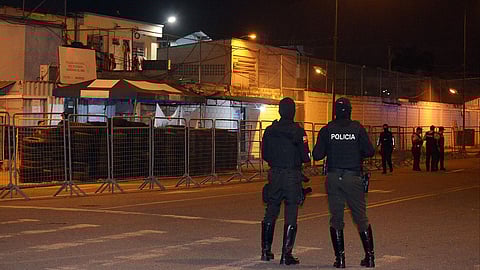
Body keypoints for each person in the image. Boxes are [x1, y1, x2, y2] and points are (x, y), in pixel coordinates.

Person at [313, 98, 376, 268]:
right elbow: (370, 151)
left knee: (336, 219)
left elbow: (317, 154)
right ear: (350, 111)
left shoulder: (327, 130)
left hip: (334, 178)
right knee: (361, 218)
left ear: (334, 111)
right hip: (353, 177)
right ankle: (369, 258)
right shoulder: (357, 128)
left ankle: (340, 260)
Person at [261, 97, 311, 265]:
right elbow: (305, 157)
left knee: (271, 211)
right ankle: (286, 254)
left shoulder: (269, 130)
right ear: (293, 112)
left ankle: (265, 251)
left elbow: (265, 155)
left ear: (279, 111)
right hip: (291, 175)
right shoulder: (298, 131)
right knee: (291, 213)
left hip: (274, 174)